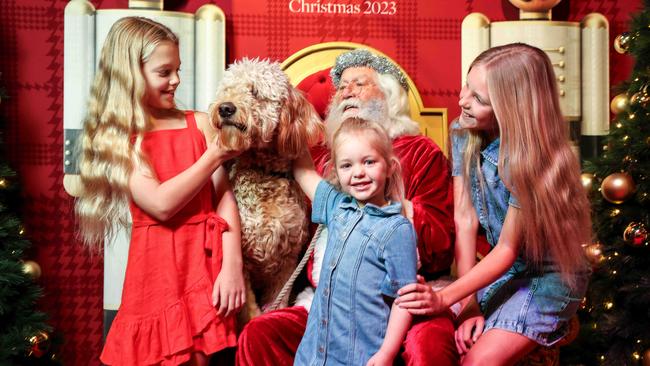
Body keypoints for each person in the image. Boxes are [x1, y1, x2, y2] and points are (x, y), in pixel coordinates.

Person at [237, 49, 457, 366]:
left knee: (428, 346)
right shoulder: (327, 161)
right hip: (328, 300)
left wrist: (391, 200)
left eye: (359, 83)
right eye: (341, 86)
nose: (346, 91)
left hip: (402, 297)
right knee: (261, 332)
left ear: (389, 95)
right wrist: (285, 115)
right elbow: (305, 174)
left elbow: (440, 245)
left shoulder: (420, 152)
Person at [396, 43, 591, 365]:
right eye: (466, 86)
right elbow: (465, 219)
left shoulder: (530, 160)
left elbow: (506, 249)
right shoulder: (463, 132)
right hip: (504, 272)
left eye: (479, 99)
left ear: (512, 109)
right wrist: (468, 302)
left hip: (546, 278)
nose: (462, 101)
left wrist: (443, 297)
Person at [74, 17, 245, 366]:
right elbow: (161, 204)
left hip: (203, 263)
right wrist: (213, 156)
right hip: (157, 271)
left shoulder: (199, 123)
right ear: (130, 74)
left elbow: (224, 199)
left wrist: (233, 266)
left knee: (201, 357)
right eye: (164, 72)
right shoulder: (120, 139)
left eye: (178, 70)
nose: (176, 81)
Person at [293, 117, 418, 365]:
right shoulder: (336, 207)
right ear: (337, 172)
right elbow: (303, 168)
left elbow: (405, 300)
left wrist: (386, 353)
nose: (358, 172)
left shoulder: (397, 229)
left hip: (359, 356)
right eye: (347, 166)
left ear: (390, 166)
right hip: (312, 356)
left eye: (369, 162)